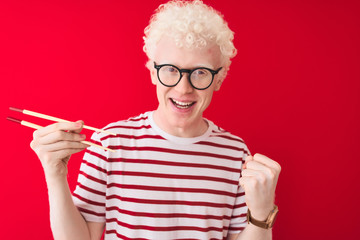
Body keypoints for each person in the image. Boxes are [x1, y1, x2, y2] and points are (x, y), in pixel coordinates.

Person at [30, 0, 281, 239]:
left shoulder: (236, 154)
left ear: (219, 78)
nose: (183, 88)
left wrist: (261, 214)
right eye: (170, 70)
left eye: (201, 72)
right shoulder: (108, 143)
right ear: (152, 72)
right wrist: (55, 175)